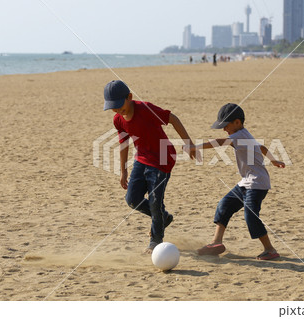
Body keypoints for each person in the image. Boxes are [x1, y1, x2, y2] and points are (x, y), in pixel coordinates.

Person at [103, 80, 199, 253]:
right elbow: (123, 144)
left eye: (119, 106)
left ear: (130, 97)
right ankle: (163, 218)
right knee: (132, 199)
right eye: (113, 108)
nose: (117, 111)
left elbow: (172, 118)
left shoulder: (146, 109)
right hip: (141, 159)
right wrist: (123, 171)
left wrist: (189, 143)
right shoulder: (118, 119)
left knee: (155, 200)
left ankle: (156, 239)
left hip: (163, 158)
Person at [187, 103, 286, 260]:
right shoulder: (245, 134)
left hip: (257, 184)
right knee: (224, 205)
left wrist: (195, 147)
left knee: (251, 215)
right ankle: (216, 242)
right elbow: (261, 147)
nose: (224, 129)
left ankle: (270, 249)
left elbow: (220, 142)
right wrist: (273, 160)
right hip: (247, 182)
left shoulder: (239, 136)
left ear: (237, 122)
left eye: (226, 125)